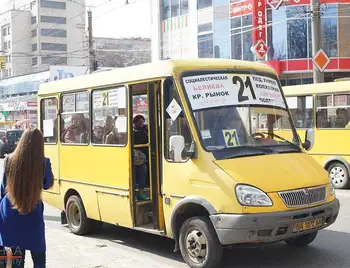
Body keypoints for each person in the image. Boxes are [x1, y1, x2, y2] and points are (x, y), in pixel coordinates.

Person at [0, 128, 54, 268]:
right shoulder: (43, 162)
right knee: (39, 260)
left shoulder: (9, 160)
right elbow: (47, 184)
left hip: (10, 215)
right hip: (32, 216)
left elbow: (3, 189)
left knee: (15, 261)